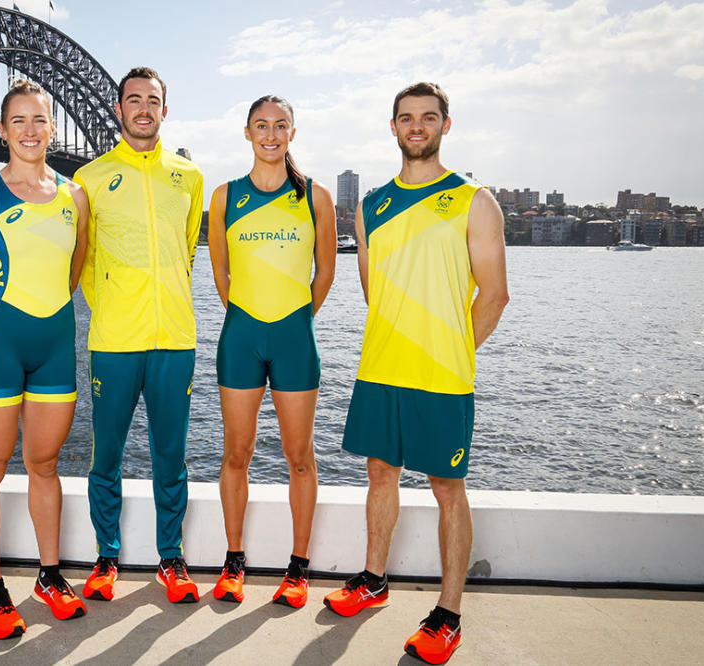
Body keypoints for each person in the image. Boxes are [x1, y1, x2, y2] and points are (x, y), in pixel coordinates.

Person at [322, 82, 509, 665]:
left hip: (441, 377)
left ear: (445, 126)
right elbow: (374, 293)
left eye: (429, 118)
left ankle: (448, 614)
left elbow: (495, 296)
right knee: (381, 474)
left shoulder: (474, 201)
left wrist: (453, 351)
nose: (417, 127)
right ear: (395, 127)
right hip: (381, 368)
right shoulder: (371, 204)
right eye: (407, 118)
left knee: (447, 488)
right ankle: (374, 580)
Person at [0, 79, 90, 640]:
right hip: (0, 346)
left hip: (57, 344)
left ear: (53, 128)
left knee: (46, 465)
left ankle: (49, 576)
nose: (31, 130)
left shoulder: (74, 197)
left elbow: (74, 269)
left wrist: (45, 317)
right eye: (20, 120)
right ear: (2, 130)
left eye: (40, 120)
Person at [74, 67, 204, 604]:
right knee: (106, 454)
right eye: (134, 100)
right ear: (119, 109)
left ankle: (170, 559)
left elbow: (189, 248)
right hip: (114, 340)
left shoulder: (188, 177)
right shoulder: (90, 178)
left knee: (170, 456)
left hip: (175, 337)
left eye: (153, 100)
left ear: (165, 111)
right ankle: (107, 557)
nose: (144, 108)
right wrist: (111, 307)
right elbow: (83, 260)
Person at [206, 95, 336, 608]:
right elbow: (220, 271)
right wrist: (245, 313)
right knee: (236, 453)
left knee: (299, 457)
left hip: (294, 339)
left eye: (280, 125)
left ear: (292, 133)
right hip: (240, 338)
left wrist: (298, 316)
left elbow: (325, 270)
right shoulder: (225, 196)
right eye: (261, 125)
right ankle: (234, 561)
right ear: (247, 133)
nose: (270, 134)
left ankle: (298, 568)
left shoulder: (315, 198)